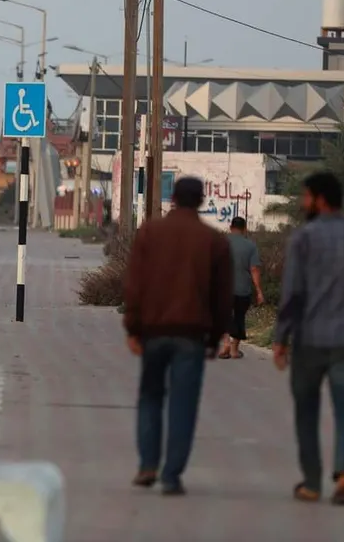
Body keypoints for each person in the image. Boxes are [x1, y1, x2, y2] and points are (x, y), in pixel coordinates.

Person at [123, 176, 233, 496]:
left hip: (154, 332)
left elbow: (134, 285)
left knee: (150, 398)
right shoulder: (213, 241)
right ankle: (171, 475)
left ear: (173, 198)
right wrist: (215, 338)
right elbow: (222, 296)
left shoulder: (149, 233)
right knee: (183, 406)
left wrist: (133, 327)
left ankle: (147, 465)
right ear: (201, 200)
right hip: (192, 335)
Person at [273, 171, 344, 505]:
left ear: (319, 199)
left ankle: (313, 483)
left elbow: (292, 295)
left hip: (310, 340)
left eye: (306, 197)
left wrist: (280, 339)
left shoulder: (304, 238)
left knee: (307, 410)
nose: (304, 203)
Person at [218, 216, 264, 360]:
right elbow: (254, 269)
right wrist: (259, 291)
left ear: (231, 228)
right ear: (245, 229)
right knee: (239, 317)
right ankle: (234, 350)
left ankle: (225, 343)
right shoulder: (250, 246)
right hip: (243, 289)